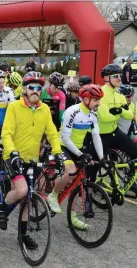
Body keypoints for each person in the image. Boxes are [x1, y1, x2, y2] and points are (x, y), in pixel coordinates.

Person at [0, 71, 63, 249]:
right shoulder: (14, 107)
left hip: (32, 159)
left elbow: (52, 133)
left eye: (39, 88)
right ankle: (1, 208)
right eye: (32, 87)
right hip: (13, 157)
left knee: (27, 199)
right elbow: (7, 133)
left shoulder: (44, 110)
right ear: (25, 89)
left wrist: (58, 153)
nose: (35, 90)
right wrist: (12, 153)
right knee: (21, 191)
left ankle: (23, 235)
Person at [46, 84, 106, 229]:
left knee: (78, 183)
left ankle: (73, 218)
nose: (98, 103)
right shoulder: (72, 111)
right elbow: (66, 138)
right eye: (96, 99)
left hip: (77, 148)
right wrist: (80, 154)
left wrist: (102, 157)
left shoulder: (93, 114)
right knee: (71, 172)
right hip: (63, 146)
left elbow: (96, 135)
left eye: (99, 99)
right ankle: (53, 195)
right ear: (85, 99)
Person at [94, 64, 137, 181]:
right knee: (94, 165)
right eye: (116, 76)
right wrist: (121, 113)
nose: (119, 78)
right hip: (100, 135)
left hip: (115, 132)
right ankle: (88, 189)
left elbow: (130, 115)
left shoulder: (119, 94)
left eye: (120, 75)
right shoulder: (101, 93)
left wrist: (117, 111)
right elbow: (104, 117)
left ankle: (131, 180)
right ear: (106, 78)